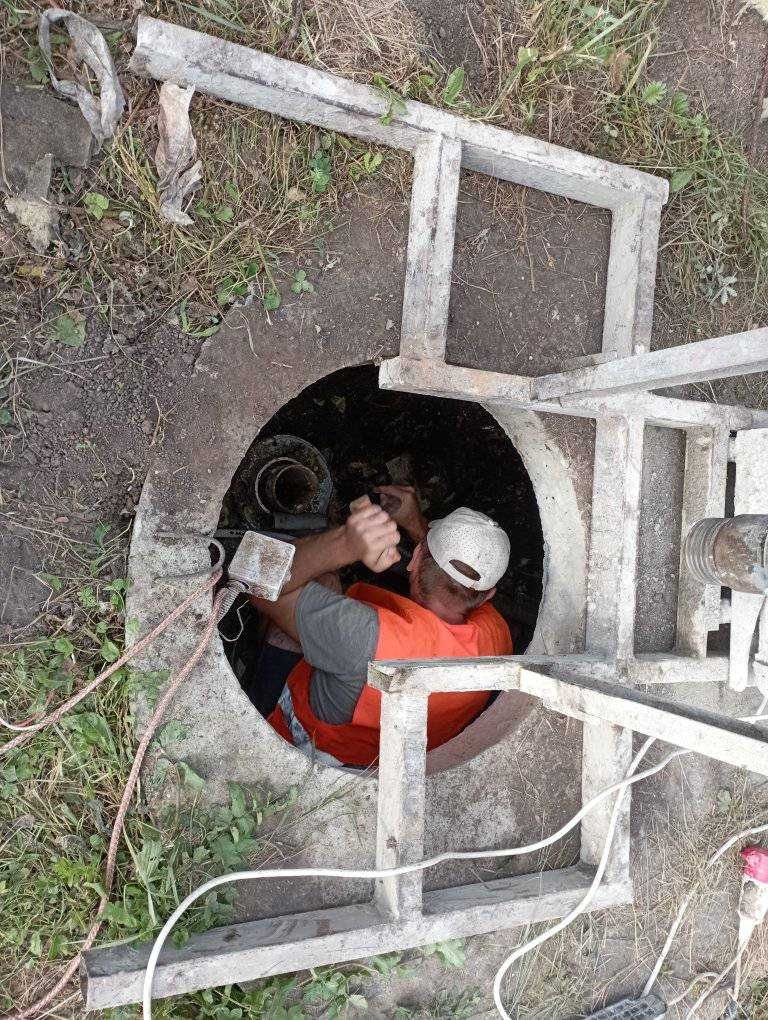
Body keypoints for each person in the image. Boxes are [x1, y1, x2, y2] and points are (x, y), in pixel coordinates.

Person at [248, 485, 513, 768]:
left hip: (300, 743)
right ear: (488, 595)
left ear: (415, 557)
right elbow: (456, 580)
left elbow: (256, 575)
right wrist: (415, 524)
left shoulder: (364, 637)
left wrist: (345, 543)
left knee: (321, 581)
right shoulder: (496, 635)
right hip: (374, 759)